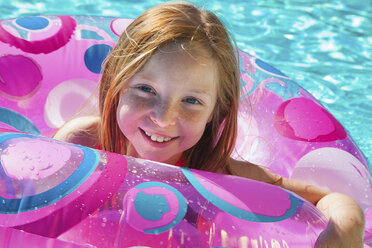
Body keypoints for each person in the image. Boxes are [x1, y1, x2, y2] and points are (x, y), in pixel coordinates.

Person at [54, 2, 365, 247]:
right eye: (146, 90)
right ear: (117, 85)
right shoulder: (82, 143)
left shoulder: (218, 172)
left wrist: (346, 226)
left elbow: (326, 199)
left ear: (215, 112)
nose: (163, 118)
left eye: (191, 101)